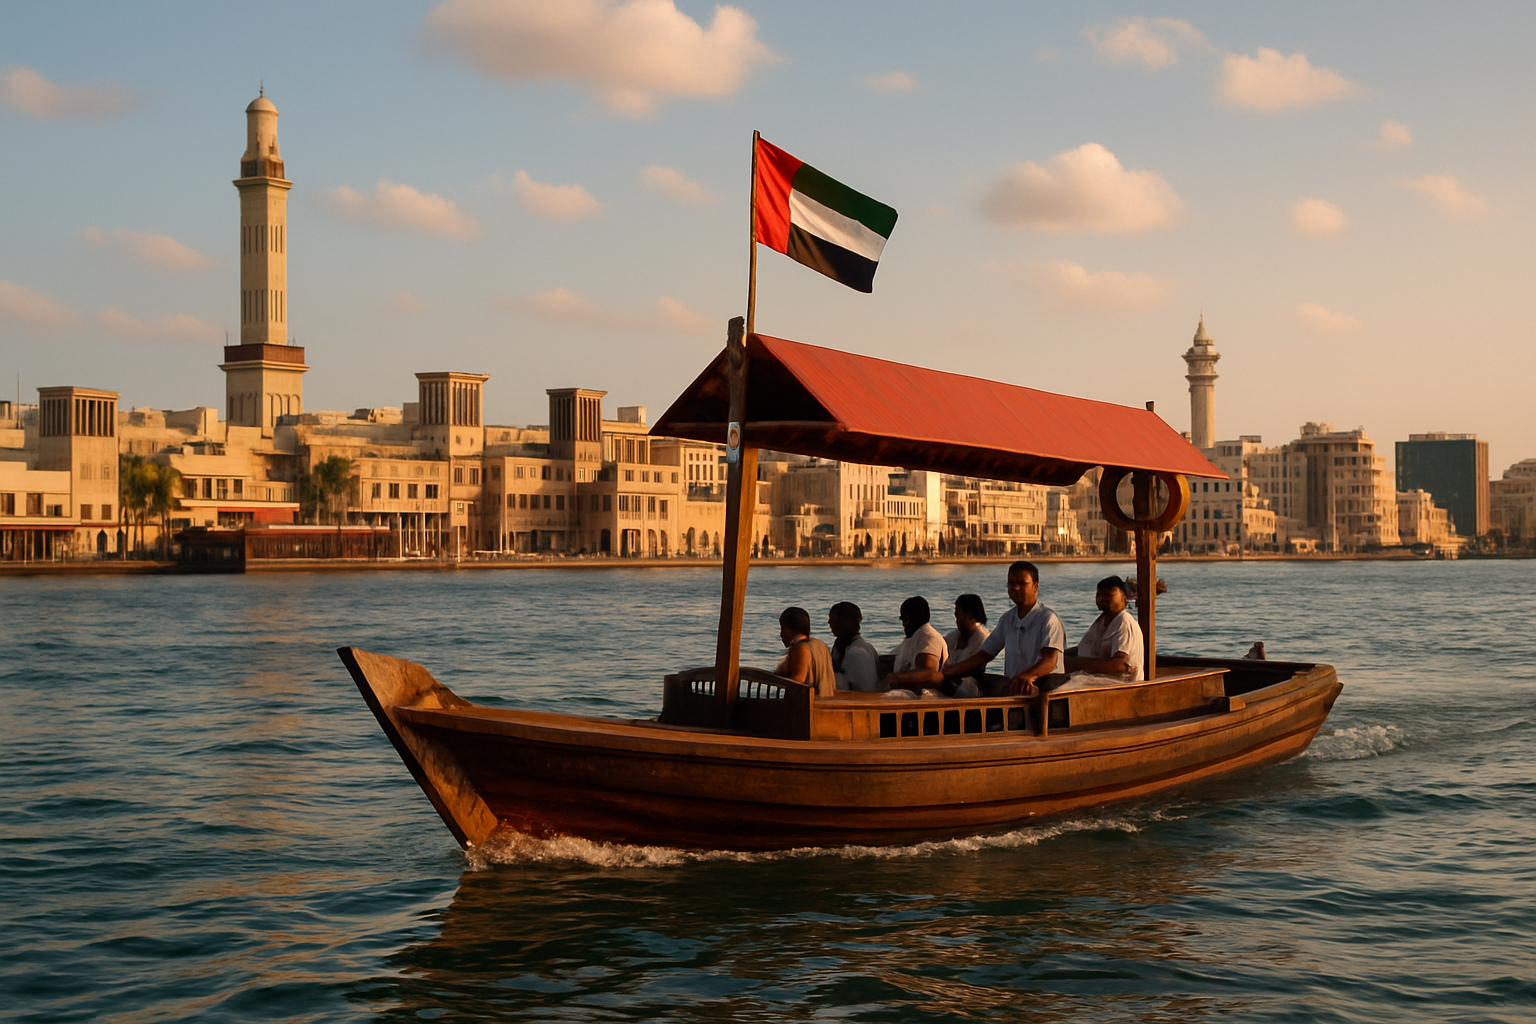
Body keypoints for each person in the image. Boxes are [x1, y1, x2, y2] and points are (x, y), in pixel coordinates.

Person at [941, 561, 1065, 696]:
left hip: (1042, 684)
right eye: (1011, 583)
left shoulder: (1048, 619)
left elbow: (1050, 661)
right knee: (976, 679)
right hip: (1014, 683)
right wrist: (950, 671)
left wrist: (1028, 676)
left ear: (1035, 586)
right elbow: (984, 655)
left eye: (1022, 583)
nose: (1016, 588)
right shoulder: (1007, 619)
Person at [1062, 576, 1145, 684]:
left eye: (1109, 595)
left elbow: (1119, 665)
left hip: (1121, 684)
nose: (1102, 598)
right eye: (1099, 595)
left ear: (1124, 598)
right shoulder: (1101, 621)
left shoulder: (1124, 623)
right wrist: (1057, 656)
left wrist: (1078, 663)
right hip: (1096, 679)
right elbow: (1081, 649)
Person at [881, 596, 950, 698]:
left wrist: (897, 678)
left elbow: (929, 673)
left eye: (904, 619)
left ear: (911, 619)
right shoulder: (914, 637)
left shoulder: (928, 638)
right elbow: (898, 658)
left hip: (926, 698)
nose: (903, 624)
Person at [774, 606, 835, 697]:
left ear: (792, 628)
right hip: (825, 699)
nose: (781, 634)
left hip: (806, 705)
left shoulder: (800, 648)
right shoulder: (820, 645)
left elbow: (798, 681)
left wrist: (780, 674)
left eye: (783, 628)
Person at [942, 593, 990, 698]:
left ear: (969, 614)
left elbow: (971, 667)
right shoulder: (954, 636)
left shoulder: (982, 638)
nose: (955, 614)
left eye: (958, 610)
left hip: (966, 686)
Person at [828, 601, 880, 692]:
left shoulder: (856, 654)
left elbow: (865, 690)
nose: (829, 622)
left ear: (845, 622)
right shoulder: (865, 647)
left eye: (833, 619)